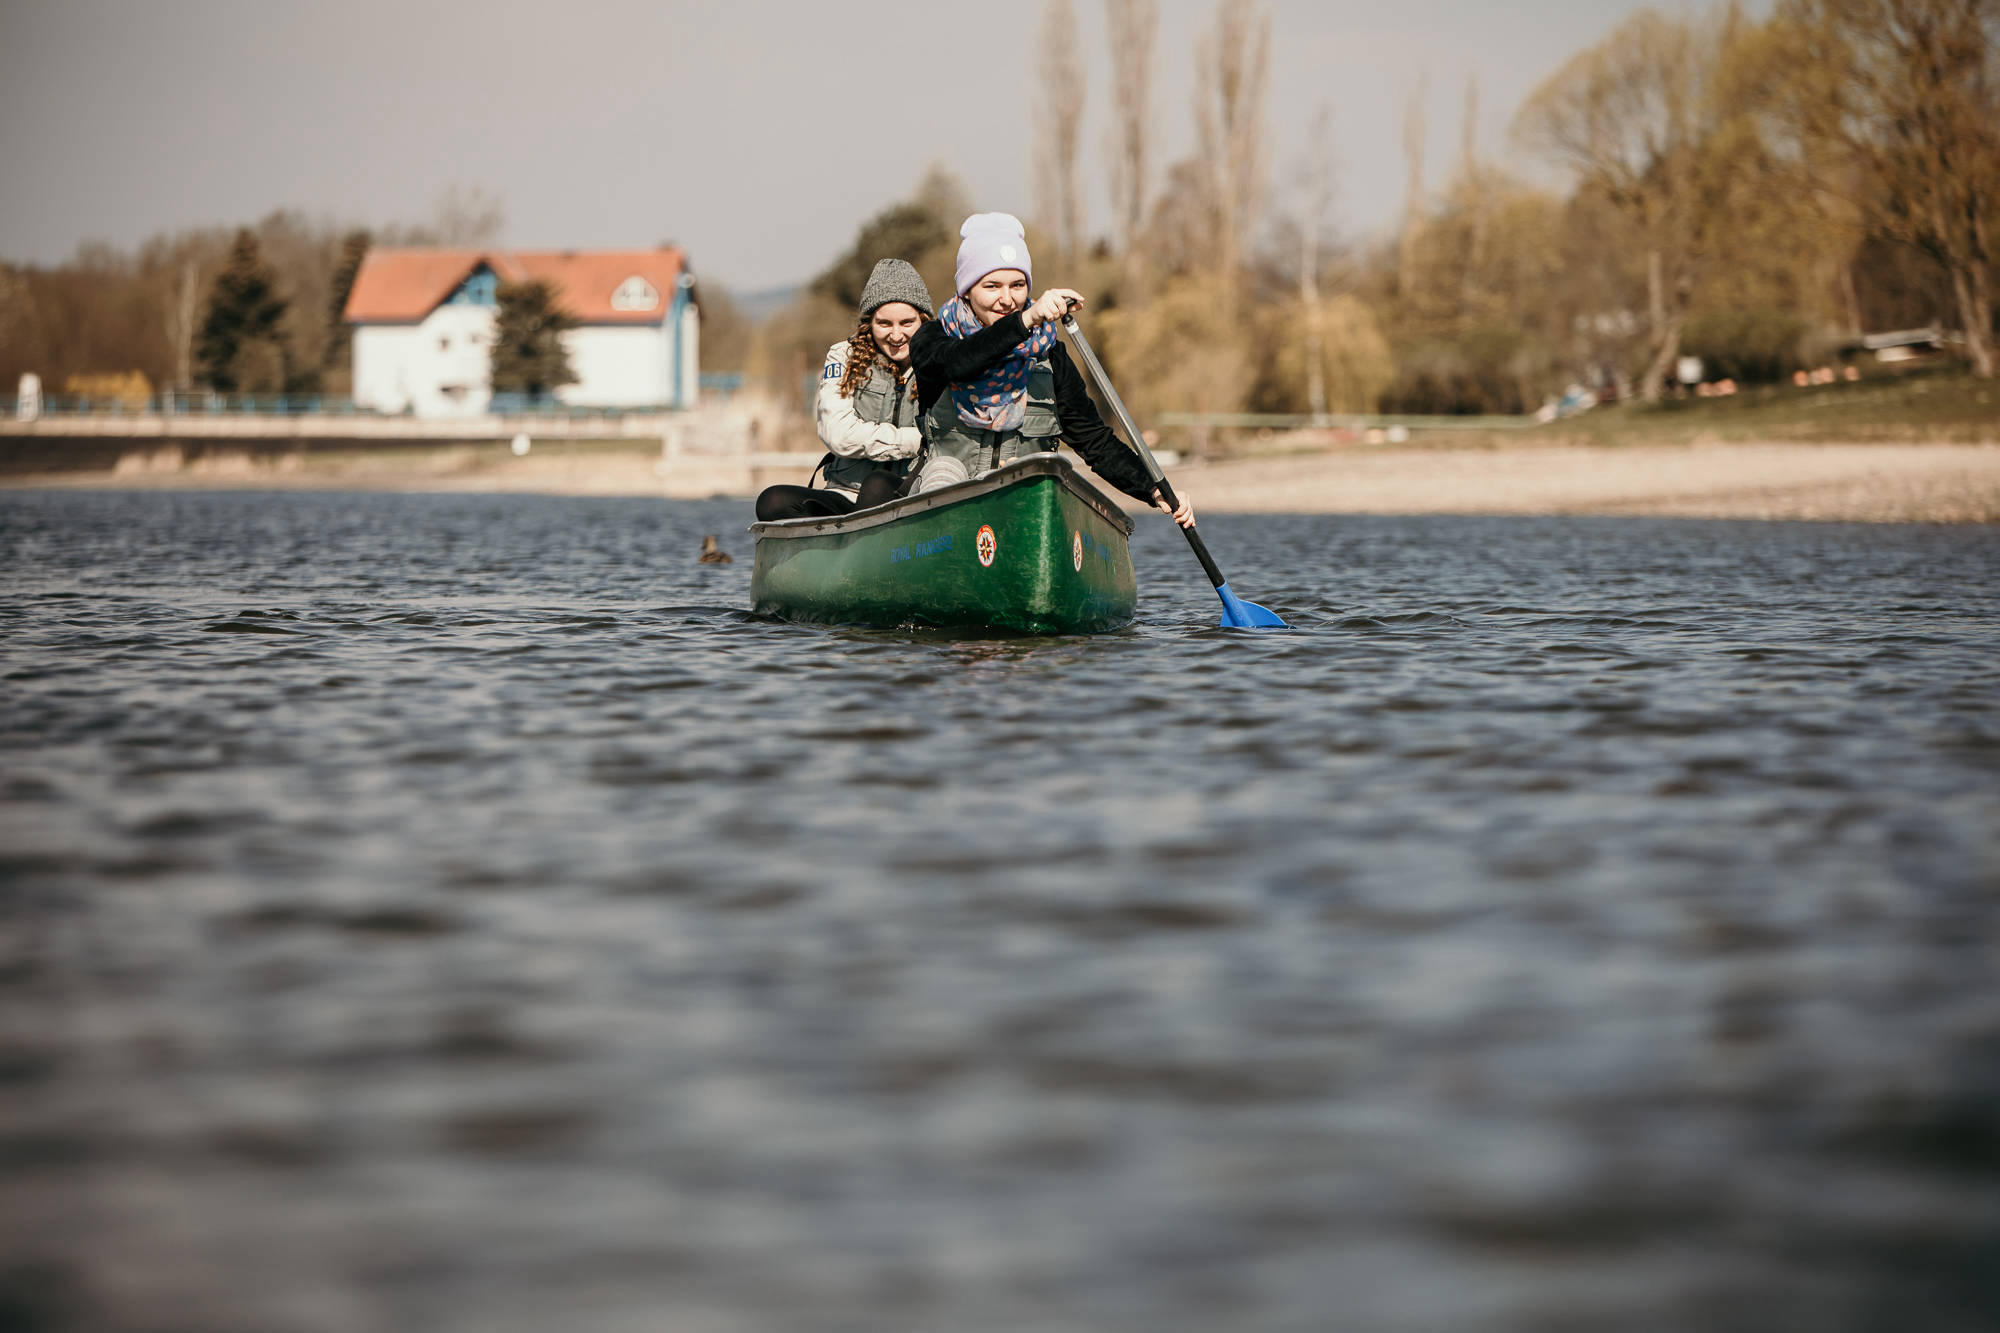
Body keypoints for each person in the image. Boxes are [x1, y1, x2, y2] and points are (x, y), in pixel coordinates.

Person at [907, 212, 1194, 527]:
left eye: (1017, 285)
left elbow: (1095, 443)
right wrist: (1026, 321)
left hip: (1020, 512)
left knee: (1038, 487)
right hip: (943, 514)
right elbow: (960, 363)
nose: (1007, 299)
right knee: (942, 474)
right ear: (966, 290)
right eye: (992, 286)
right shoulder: (932, 340)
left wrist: (1153, 489)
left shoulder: (1050, 357)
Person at [754, 259, 934, 522]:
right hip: (846, 494)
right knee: (771, 501)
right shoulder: (843, 357)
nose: (896, 335)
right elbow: (837, 434)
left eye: (906, 323)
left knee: (877, 485)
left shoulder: (940, 358)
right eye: (884, 324)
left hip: (909, 493)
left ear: (923, 319)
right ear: (869, 323)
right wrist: (914, 440)